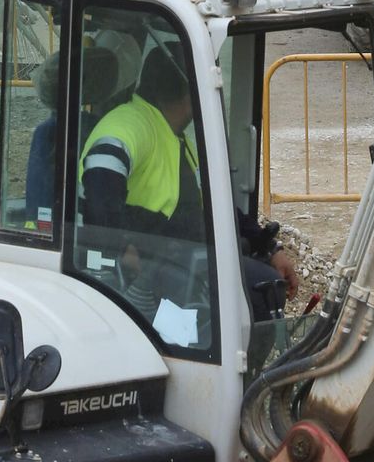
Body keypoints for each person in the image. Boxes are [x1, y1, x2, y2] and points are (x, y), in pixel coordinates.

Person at [79, 52, 296, 323]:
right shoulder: (130, 124)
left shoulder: (171, 135)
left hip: (176, 259)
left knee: (264, 284)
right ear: (190, 93)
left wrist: (268, 247)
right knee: (259, 289)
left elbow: (212, 208)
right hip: (146, 272)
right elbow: (100, 184)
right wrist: (123, 247)